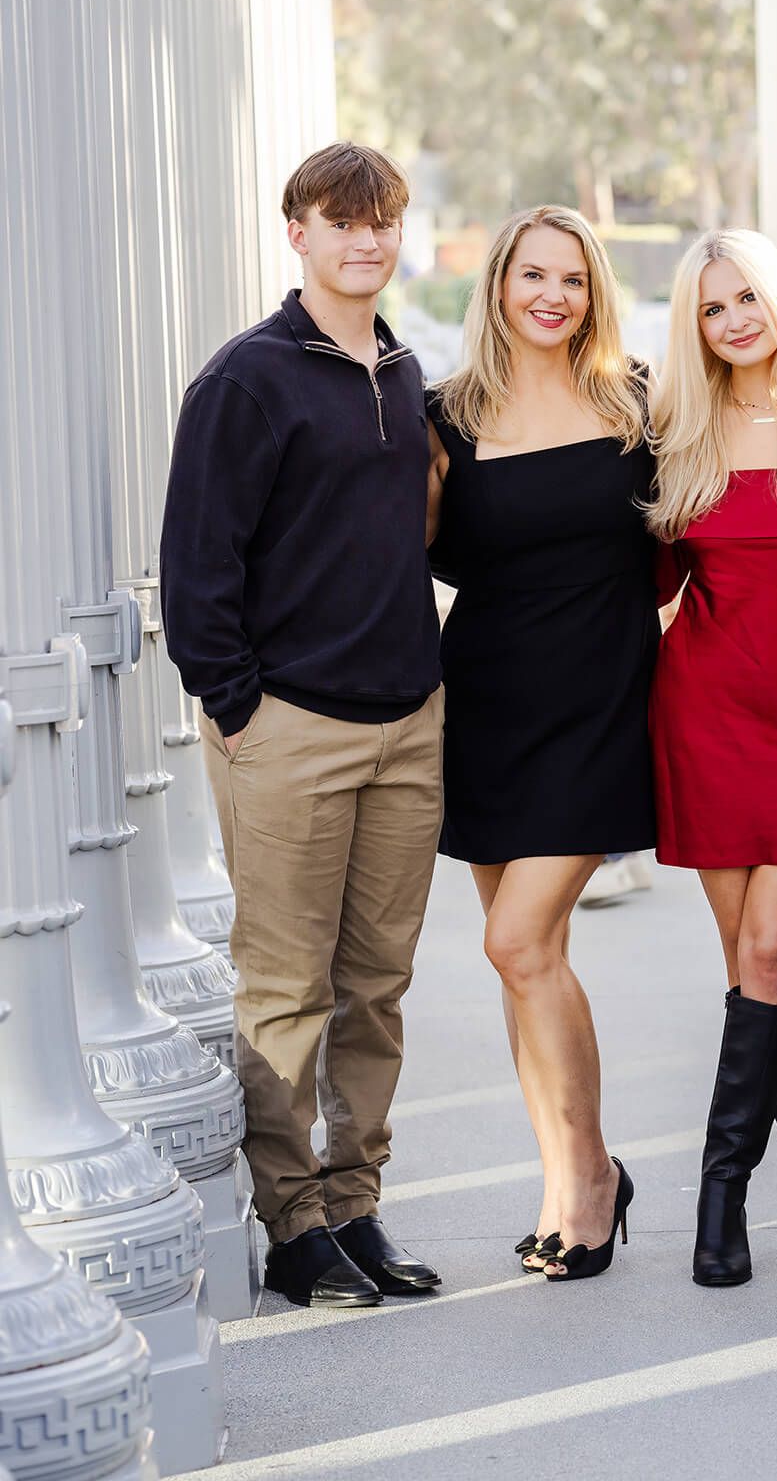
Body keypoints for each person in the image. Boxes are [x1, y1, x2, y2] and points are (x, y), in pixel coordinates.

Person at [161, 141, 445, 1310]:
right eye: (342, 221)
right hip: (287, 727)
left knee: (376, 984)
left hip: (407, 721)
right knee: (286, 987)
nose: (365, 240)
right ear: (299, 234)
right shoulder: (247, 379)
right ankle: (292, 1224)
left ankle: (355, 1202)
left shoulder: (407, 371)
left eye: (381, 222)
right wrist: (237, 704)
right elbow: (197, 562)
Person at [426, 204, 655, 1281]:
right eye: (533, 274)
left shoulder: (639, 403)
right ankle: (562, 1184)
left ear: (593, 290)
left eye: (572, 277)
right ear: (499, 284)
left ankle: (592, 1177)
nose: (552, 295)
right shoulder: (446, 415)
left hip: (602, 702)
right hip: (486, 704)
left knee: (517, 943)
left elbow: (724, 505)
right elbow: (399, 545)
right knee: (526, 962)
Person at [649, 230, 777, 1287]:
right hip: (705, 715)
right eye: (710, 308)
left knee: (770, 955)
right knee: (755, 970)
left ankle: (719, 1196)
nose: (733, 321)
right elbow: (642, 582)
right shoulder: (674, 433)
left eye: (746, 299)